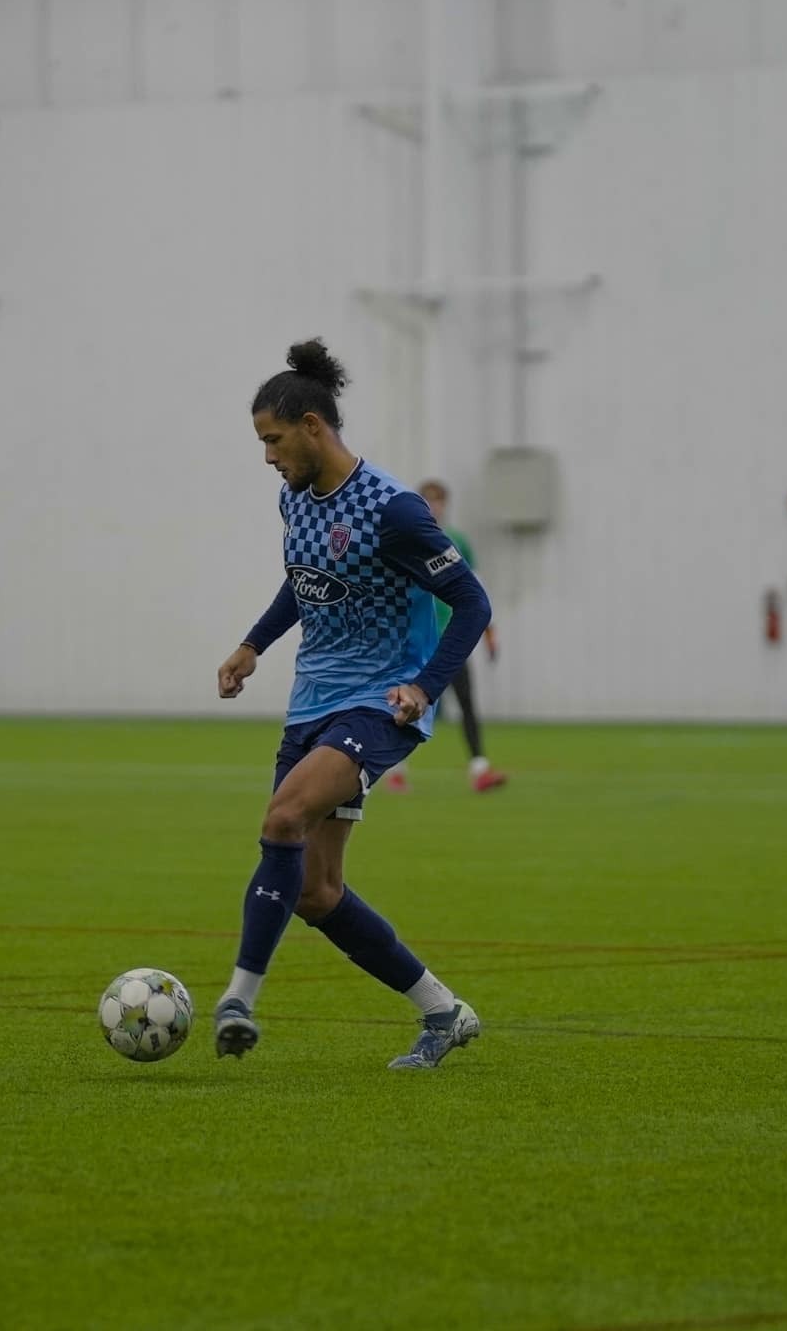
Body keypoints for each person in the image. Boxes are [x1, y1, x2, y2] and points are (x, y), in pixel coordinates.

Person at [214, 338, 490, 1070]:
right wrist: (253, 645)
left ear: (312, 426)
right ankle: (444, 1012)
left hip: (377, 703)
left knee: (282, 819)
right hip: (312, 703)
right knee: (315, 890)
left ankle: (238, 999)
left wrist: (424, 687)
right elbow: (303, 579)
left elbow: (470, 601)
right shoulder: (294, 499)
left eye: (273, 440)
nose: (267, 456)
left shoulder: (393, 510)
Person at [383, 479, 508, 794]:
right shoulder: (406, 539)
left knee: (466, 703)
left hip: (452, 640)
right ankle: (393, 770)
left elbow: (476, 591)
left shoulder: (458, 542)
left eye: (440, 501)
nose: (435, 506)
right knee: (407, 705)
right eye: (429, 500)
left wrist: (489, 631)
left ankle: (480, 769)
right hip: (415, 641)